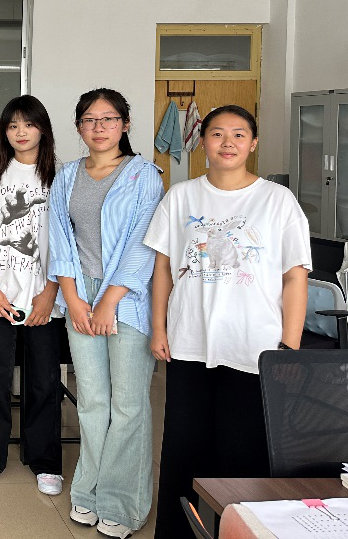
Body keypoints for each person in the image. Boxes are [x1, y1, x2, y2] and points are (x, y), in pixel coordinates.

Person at [145, 105, 310, 539]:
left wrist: (289, 347)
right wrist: (160, 328)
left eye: (239, 134)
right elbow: (162, 268)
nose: (228, 142)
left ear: (253, 143)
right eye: (217, 134)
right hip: (190, 343)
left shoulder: (277, 200)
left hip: (255, 348)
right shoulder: (181, 196)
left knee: (244, 456)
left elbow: (295, 276)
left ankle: (238, 532)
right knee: (183, 451)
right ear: (203, 142)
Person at [47, 88, 164, 539]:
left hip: (127, 297)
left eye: (109, 118)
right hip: (80, 293)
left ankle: (123, 504)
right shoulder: (67, 176)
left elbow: (144, 243)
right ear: (79, 127)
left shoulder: (143, 175)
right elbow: (60, 237)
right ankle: (89, 491)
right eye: (90, 120)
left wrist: (109, 301)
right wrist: (74, 298)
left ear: (125, 124)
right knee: (93, 399)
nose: (99, 127)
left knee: (129, 404)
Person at [0, 98, 64, 495]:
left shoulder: (60, 176)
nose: (20, 132)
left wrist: (50, 293)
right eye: (12, 126)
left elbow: (67, 241)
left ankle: (46, 462)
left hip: (44, 299)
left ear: (43, 129)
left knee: (44, 381)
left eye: (28, 124)